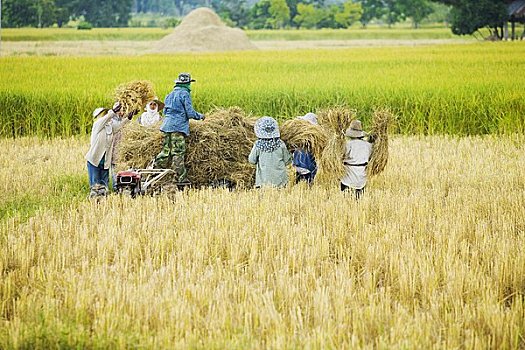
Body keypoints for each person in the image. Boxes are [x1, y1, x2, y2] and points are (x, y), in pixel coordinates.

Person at [154, 73, 205, 184]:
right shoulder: (185, 94)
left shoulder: (169, 94)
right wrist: (200, 116)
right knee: (178, 152)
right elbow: (190, 113)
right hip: (178, 127)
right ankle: (180, 178)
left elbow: (165, 112)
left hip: (166, 126)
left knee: (166, 151)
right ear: (187, 83)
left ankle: (154, 170)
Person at [85, 102, 134, 198]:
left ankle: (104, 202)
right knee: (95, 186)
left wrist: (128, 118)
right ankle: (95, 203)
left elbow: (119, 126)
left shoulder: (109, 127)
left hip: (105, 160)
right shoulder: (97, 125)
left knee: (104, 187)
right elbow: (105, 119)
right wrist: (112, 112)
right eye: (104, 114)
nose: (107, 116)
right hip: (95, 159)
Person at [248, 116, 292, 188]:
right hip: (280, 181)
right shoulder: (280, 144)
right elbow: (288, 161)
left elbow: (251, 160)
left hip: (264, 182)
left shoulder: (258, 145)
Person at [340, 119, 374, 200]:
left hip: (348, 175)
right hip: (362, 175)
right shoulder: (368, 145)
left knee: (346, 199)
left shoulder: (347, 145)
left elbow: (341, 156)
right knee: (358, 198)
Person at [292, 112, 318, 185]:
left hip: (299, 166)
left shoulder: (299, 137)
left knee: (300, 184)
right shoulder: (315, 139)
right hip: (308, 168)